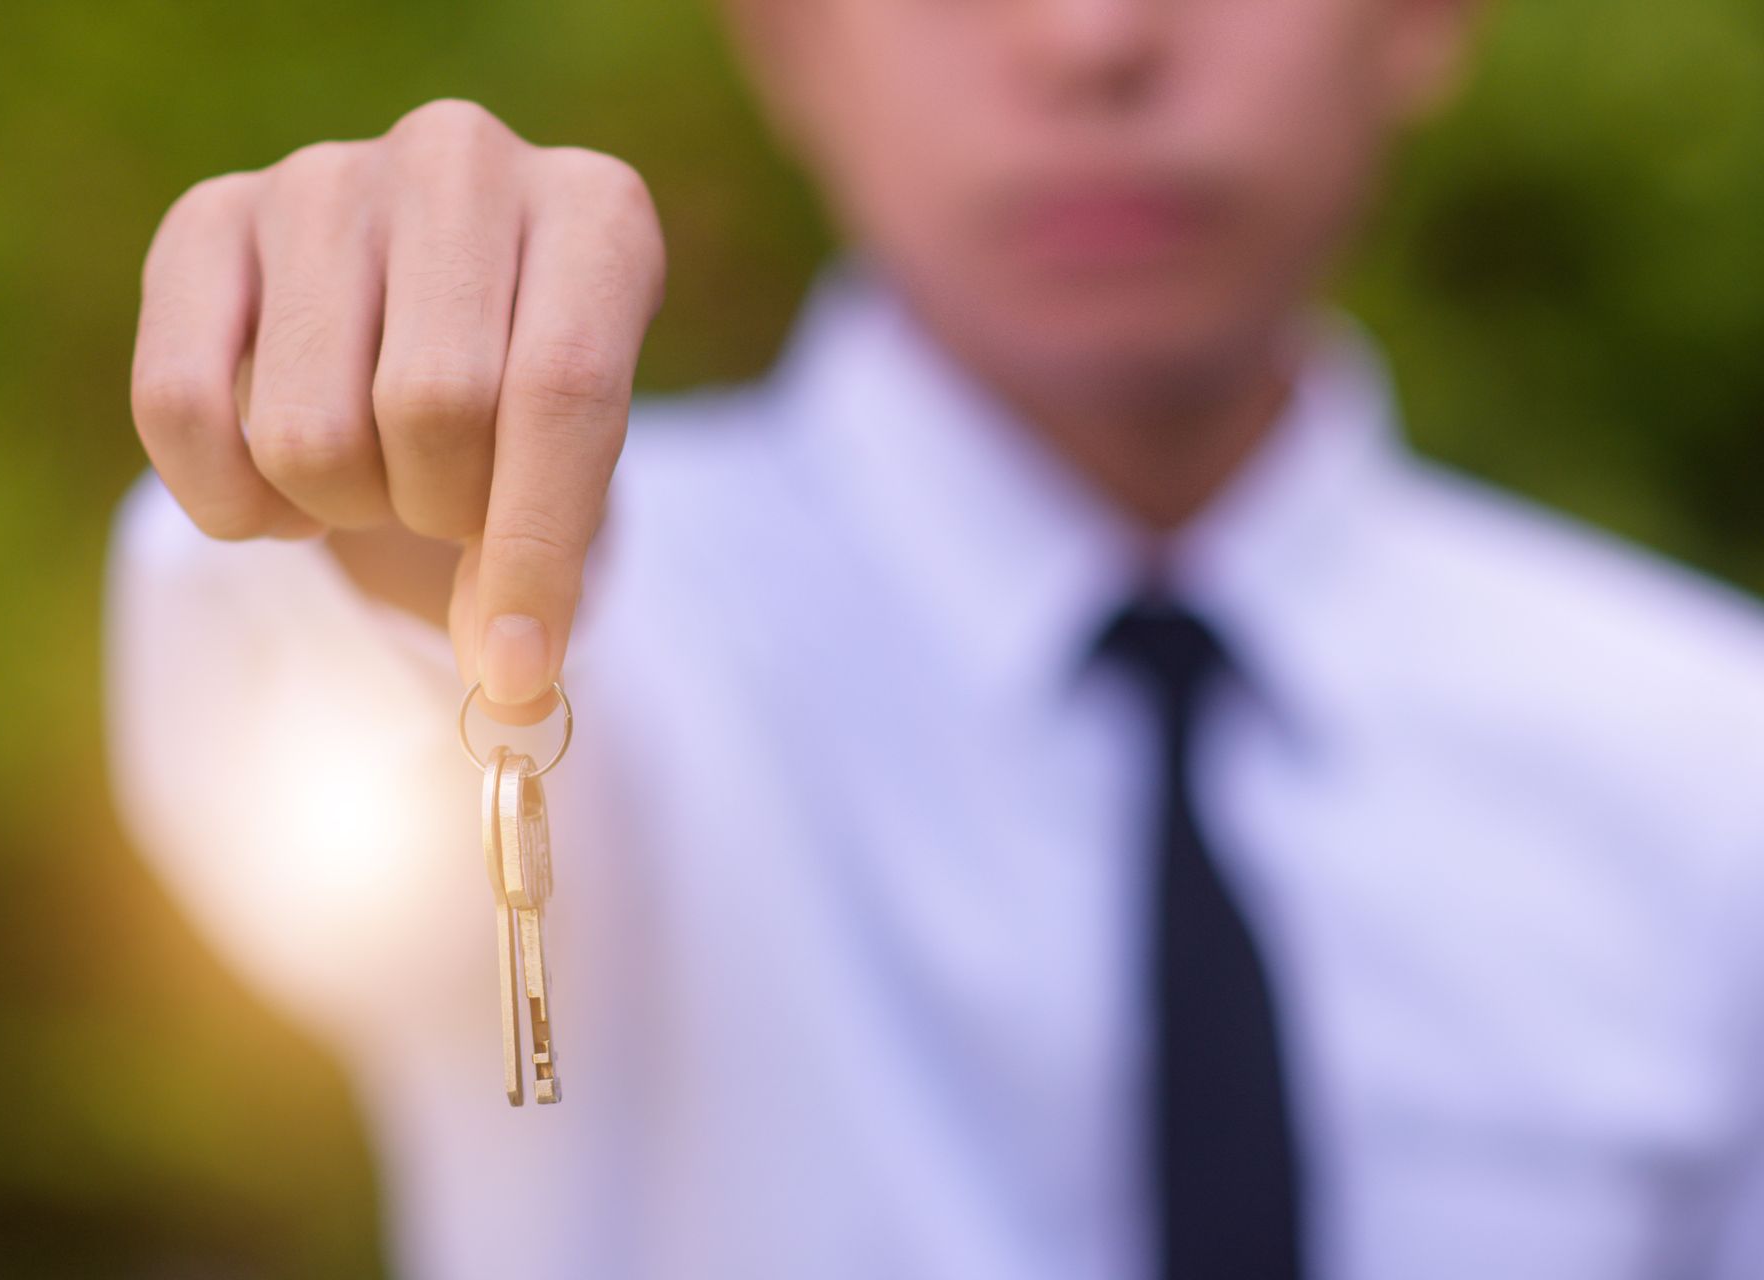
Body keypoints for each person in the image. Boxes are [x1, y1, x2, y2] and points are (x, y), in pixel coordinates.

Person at [103, 1, 1764, 1276]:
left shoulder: (1712, 763)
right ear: (783, 33)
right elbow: (274, 652)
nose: (1091, 41)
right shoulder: (607, 639)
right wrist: (348, 483)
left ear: (1422, 19)